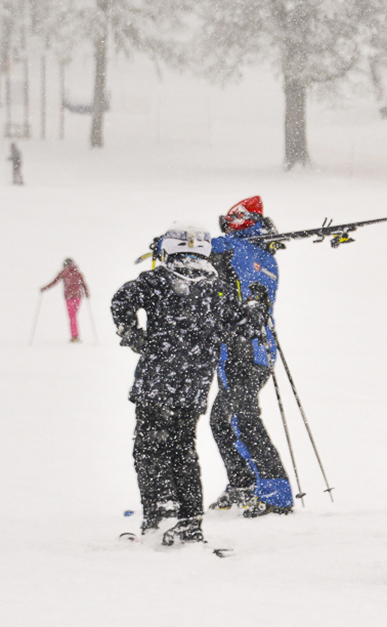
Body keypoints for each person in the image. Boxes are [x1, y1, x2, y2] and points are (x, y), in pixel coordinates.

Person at [111, 225, 265, 546]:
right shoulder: (217, 289)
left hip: (157, 380)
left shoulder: (156, 280)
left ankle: (159, 511)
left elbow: (121, 300)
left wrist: (132, 334)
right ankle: (189, 519)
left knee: (150, 446)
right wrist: (256, 305)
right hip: (193, 386)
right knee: (184, 448)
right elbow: (244, 324)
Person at [206, 196, 295, 517]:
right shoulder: (262, 254)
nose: (228, 225)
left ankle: (276, 494)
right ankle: (243, 484)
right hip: (251, 349)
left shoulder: (236, 249)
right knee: (222, 419)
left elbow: (204, 247)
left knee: (240, 419)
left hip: (243, 350)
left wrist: (167, 243)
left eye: (234, 220)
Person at [41, 258, 89, 343]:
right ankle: (75, 335)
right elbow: (83, 283)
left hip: (69, 297)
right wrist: (86, 292)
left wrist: (45, 288)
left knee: (72, 316)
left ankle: (75, 336)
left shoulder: (64, 272)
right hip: (78, 296)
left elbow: (54, 282)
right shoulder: (77, 273)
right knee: (74, 316)